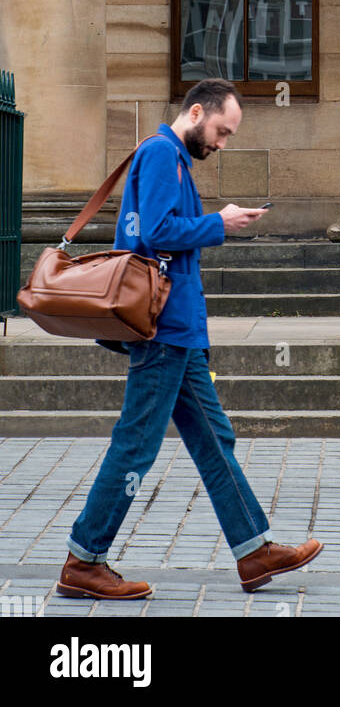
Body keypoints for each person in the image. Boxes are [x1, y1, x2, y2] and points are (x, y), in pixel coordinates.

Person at [56, 78, 322, 600]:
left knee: (212, 438)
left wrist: (217, 224)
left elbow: (169, 233)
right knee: (136, 444)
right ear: (196, 112)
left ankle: (252, 551)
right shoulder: (160, 153)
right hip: (162, 333)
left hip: (179, 332)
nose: (222, 144)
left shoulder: (172, 158)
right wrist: (218, 222)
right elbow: (156, 233)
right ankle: (83, 560)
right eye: (222, 131)